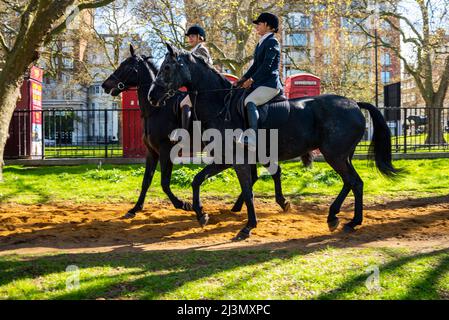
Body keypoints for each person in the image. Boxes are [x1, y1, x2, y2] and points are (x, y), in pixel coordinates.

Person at [235, 12, 283, 151]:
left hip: (270, 84)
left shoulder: (272, 41)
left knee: (250, 101)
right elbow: (255, 66)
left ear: (268, 26)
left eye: (259, 24)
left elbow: (267, 66)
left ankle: (252, 137)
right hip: (261, 83)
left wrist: (252, 79)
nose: (257, 27)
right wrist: (243, 79)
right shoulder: (260, 43)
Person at [170, 25, 213, 142]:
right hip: (197, 88)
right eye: (189, 36)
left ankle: (184, 134)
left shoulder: (202, 50)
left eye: (193, 36)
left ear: (201, 38)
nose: (190, 38)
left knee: (185, 104)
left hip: (205, 88)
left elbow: (199, 68)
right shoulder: (193, 51)